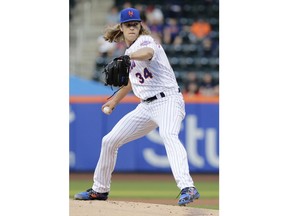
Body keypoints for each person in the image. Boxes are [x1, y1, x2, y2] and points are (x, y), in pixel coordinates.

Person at [74, 7, 200, 206]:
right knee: (109, 141)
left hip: (168, 101)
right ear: (122, 28)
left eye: (135, 24)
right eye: (128, 25)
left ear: (140, 26)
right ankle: (100, 190)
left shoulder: (145, 41)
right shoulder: (128, 52)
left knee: (168, 135)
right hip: (146, 107)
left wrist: (129, 57)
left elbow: (148, 52)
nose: (132, 27)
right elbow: (130, 83)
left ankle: (187, 186)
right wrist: (114, 101)